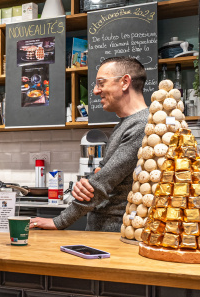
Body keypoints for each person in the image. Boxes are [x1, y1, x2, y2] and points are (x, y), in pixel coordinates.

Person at [31, 57, 149, 232]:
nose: (95, 91)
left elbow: (101, 184)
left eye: (101, 83)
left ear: (125, 82)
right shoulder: (126, 124)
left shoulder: (141, 125)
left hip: (116, 232)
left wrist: (59, 221)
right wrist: (89, 182)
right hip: (106, 228)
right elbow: (101, 174)